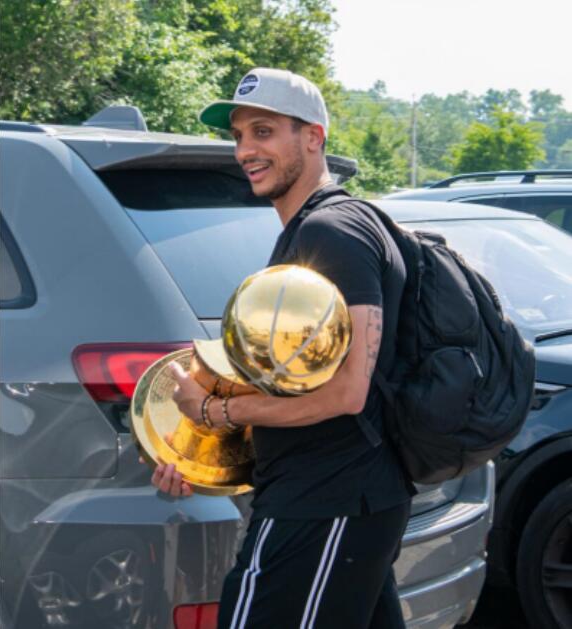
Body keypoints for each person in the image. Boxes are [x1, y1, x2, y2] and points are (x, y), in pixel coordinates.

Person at [151, 68, 414, 629]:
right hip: (339, 499)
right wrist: (198, 450)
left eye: (264, 132)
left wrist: (214, 410)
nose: (246, 150)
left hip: (327, 501)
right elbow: (296, 383)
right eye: (240, 136)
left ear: (313, 136)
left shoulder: (332, 234)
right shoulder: (307, 232)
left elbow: (345, 393)